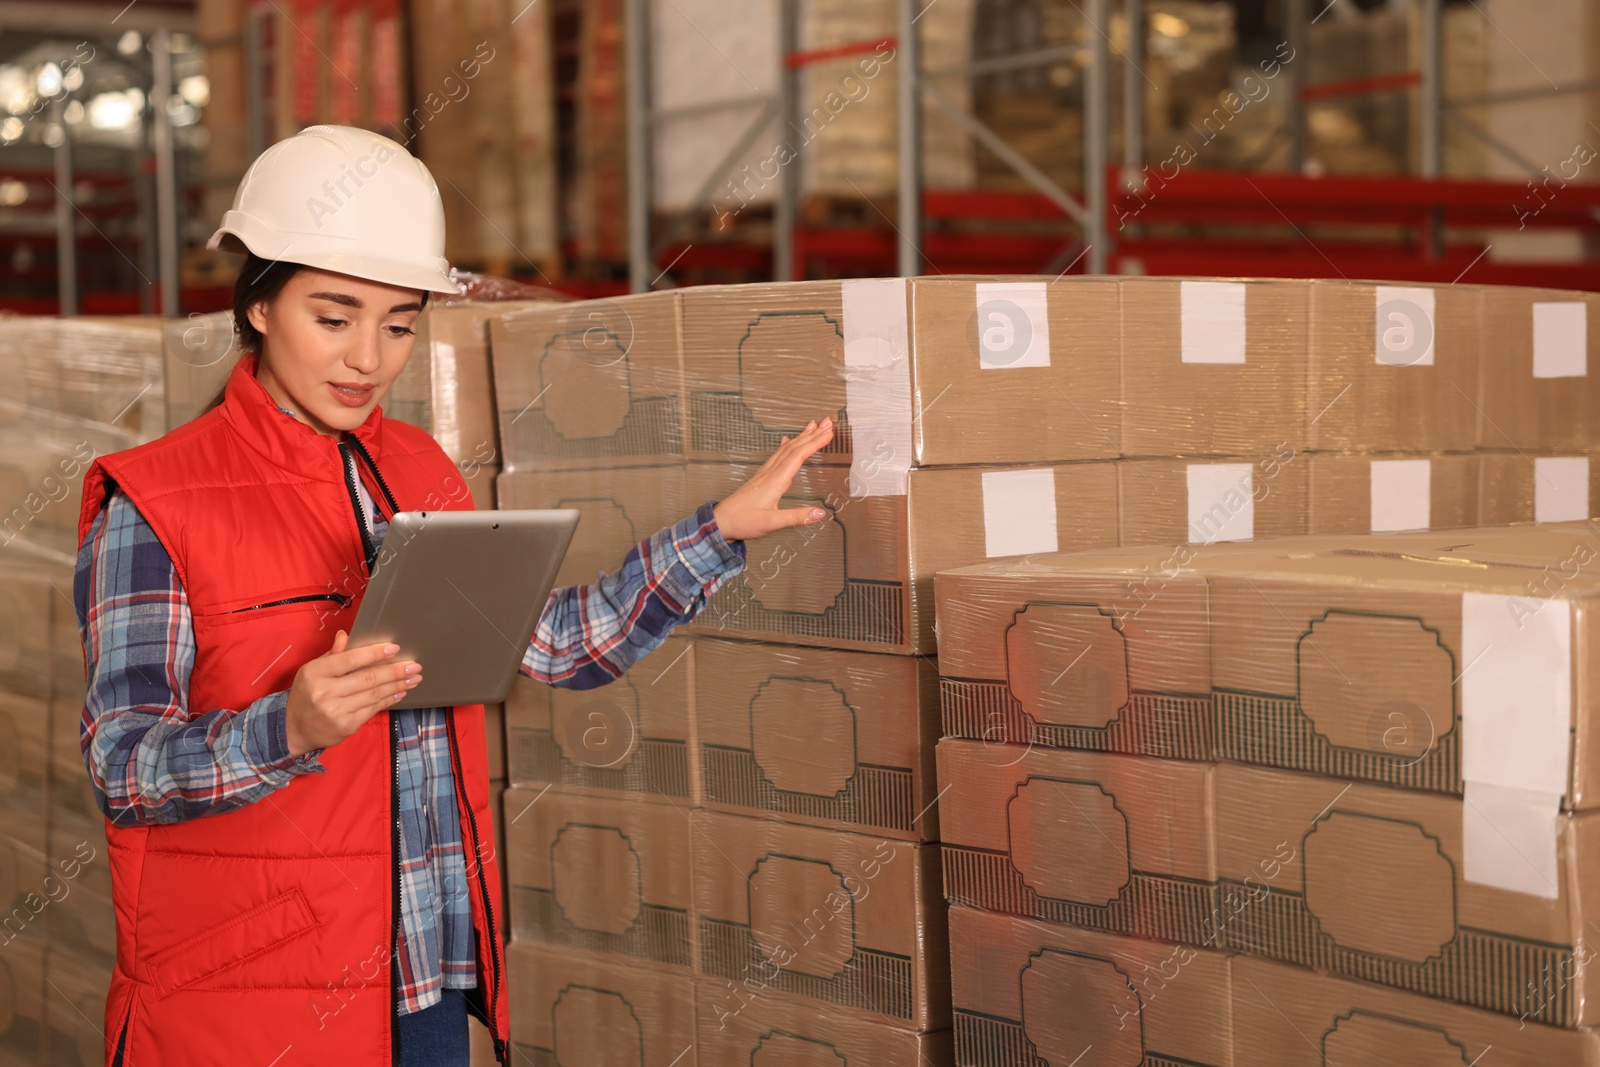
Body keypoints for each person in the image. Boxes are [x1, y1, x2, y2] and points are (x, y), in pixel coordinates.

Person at [71, 124, 835, 1067]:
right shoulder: (155, 501)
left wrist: (716, 532)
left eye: (398, 323)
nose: (368, 358)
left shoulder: (420, 469)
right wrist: (288, 728)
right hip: (258, 994)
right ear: (260, 304)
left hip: (424, 975)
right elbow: (124, 767)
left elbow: (552, 645)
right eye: (334, 315)